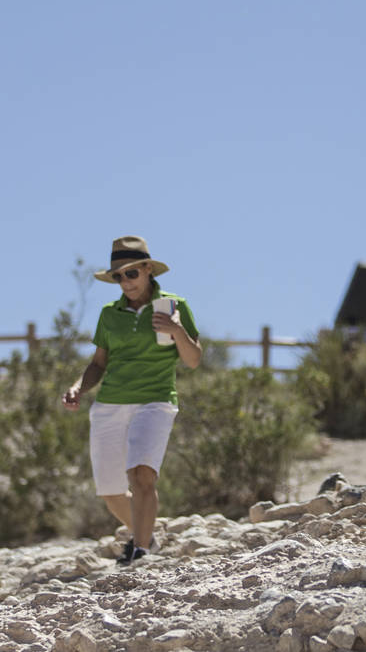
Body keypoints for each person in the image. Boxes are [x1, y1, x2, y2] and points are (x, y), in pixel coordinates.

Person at [62, 236, 201, 565]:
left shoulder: (174, 305)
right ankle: (147, 534)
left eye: (131, 274)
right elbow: (98, 364)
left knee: (142, 476)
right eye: (118, 276)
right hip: (110, 405)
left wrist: (177, 330)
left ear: (148, 270)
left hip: (156, 401)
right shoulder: (110, 314)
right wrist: (78, 387)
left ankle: (140, 552)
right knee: (111, 493)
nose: (125, 282)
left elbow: (193, 360)